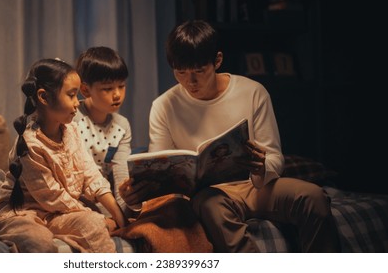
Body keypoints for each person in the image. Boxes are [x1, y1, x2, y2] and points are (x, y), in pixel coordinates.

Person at [120, 20, 339, 252]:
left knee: (313, 197)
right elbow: (162, 174)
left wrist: (261, 166)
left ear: (217, 60)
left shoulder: (252, 92)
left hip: (257, 187)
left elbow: (275, 157)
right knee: (212, 206)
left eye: (199, 71)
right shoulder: (164, 106)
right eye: (181, 72)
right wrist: (135, 196)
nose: (190, 82)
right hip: (209, 196)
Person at [0, 58, 128, 253]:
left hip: (58, 213)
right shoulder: (30, 143)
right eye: (71, 95)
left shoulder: (71, 130)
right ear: (44, 97)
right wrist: (98, 217)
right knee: (38, 240)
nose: (77, 103)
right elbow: (53, 197)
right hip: (21, 213)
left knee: (93, 225)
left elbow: (91, 175)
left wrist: (118, 215)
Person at [73, 46, 135, 218]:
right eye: (107, 89)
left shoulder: (121, 125)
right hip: (77, 193)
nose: (117, 95)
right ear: (85, 90)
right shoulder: (73, 117)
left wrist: (125, 205)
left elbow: (120, 171)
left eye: (121, 86)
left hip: (105, 195)